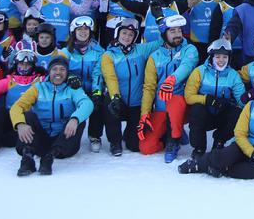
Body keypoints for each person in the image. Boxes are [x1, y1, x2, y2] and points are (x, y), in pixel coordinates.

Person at [178, 67, 254, 178]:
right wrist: (252, 152)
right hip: (244, 146)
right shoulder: (250, 106)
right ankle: (198, 164)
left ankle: (224, 169)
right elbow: (239, 133)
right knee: (226, 155)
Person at [10, 56, 96, 176]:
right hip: (40, 139)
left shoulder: (72, 89)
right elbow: (17, 106)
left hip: (63, 141)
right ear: (49, 72)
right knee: (27, 116)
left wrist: (75, 119)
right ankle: (27, 158)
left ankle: (49, 157)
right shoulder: (39, 88)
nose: (58, 72)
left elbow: (87, 103)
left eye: (62, 69)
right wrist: (20, 124)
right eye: (54, 69)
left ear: (67, 73)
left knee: (79, 120)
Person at [138, 14, 199, 162]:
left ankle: (174, 140)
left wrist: (172, 79)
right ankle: (170, 132)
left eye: (179, 30)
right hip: (161, 108)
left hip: (184, 105)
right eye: (173, 31)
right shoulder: (155, 56)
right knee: (146, 148)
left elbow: (187, 66)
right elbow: (149, 87)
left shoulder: (190, 49)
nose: (177, 34)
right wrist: (145, 113)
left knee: (175, 102)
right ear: (164, 34)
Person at [183, 39, 245, 158]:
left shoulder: (233, 75)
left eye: (225, 57)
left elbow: (241, 100)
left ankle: (219, 142)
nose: (221, 60)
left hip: (221, 115)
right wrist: (207, 99)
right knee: (197, 110)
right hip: (204, 116)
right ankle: (199, 148)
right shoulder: (200, 71)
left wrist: (245, 102)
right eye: (218, 57)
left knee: (237, 113)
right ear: (212, 57)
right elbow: (189, 97)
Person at [99, 18, 146, 156]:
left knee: (135, 146)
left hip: (136, 103)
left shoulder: (140, 50)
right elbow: (110, 77)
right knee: (109, 104)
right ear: (117, 34)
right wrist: (115, 96)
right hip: (118, 100)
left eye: (131, 35)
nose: (127, 37)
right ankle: (115, 142)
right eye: (124, 33)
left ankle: (129, 134)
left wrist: (160, 21)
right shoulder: (109, 55)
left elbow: (161, 42)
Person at [61, 16, 105, 152]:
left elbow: (98, 74)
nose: (83, 32)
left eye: (86, 29)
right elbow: (60, 70)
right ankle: (68, 131)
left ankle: (94, 135)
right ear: (73, 32)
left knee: (98, 101)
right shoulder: (66, 52)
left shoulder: (98, 51)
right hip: (74, 89)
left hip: (91, 87)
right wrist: (70, 77)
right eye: (79, 29)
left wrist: (97, 91)